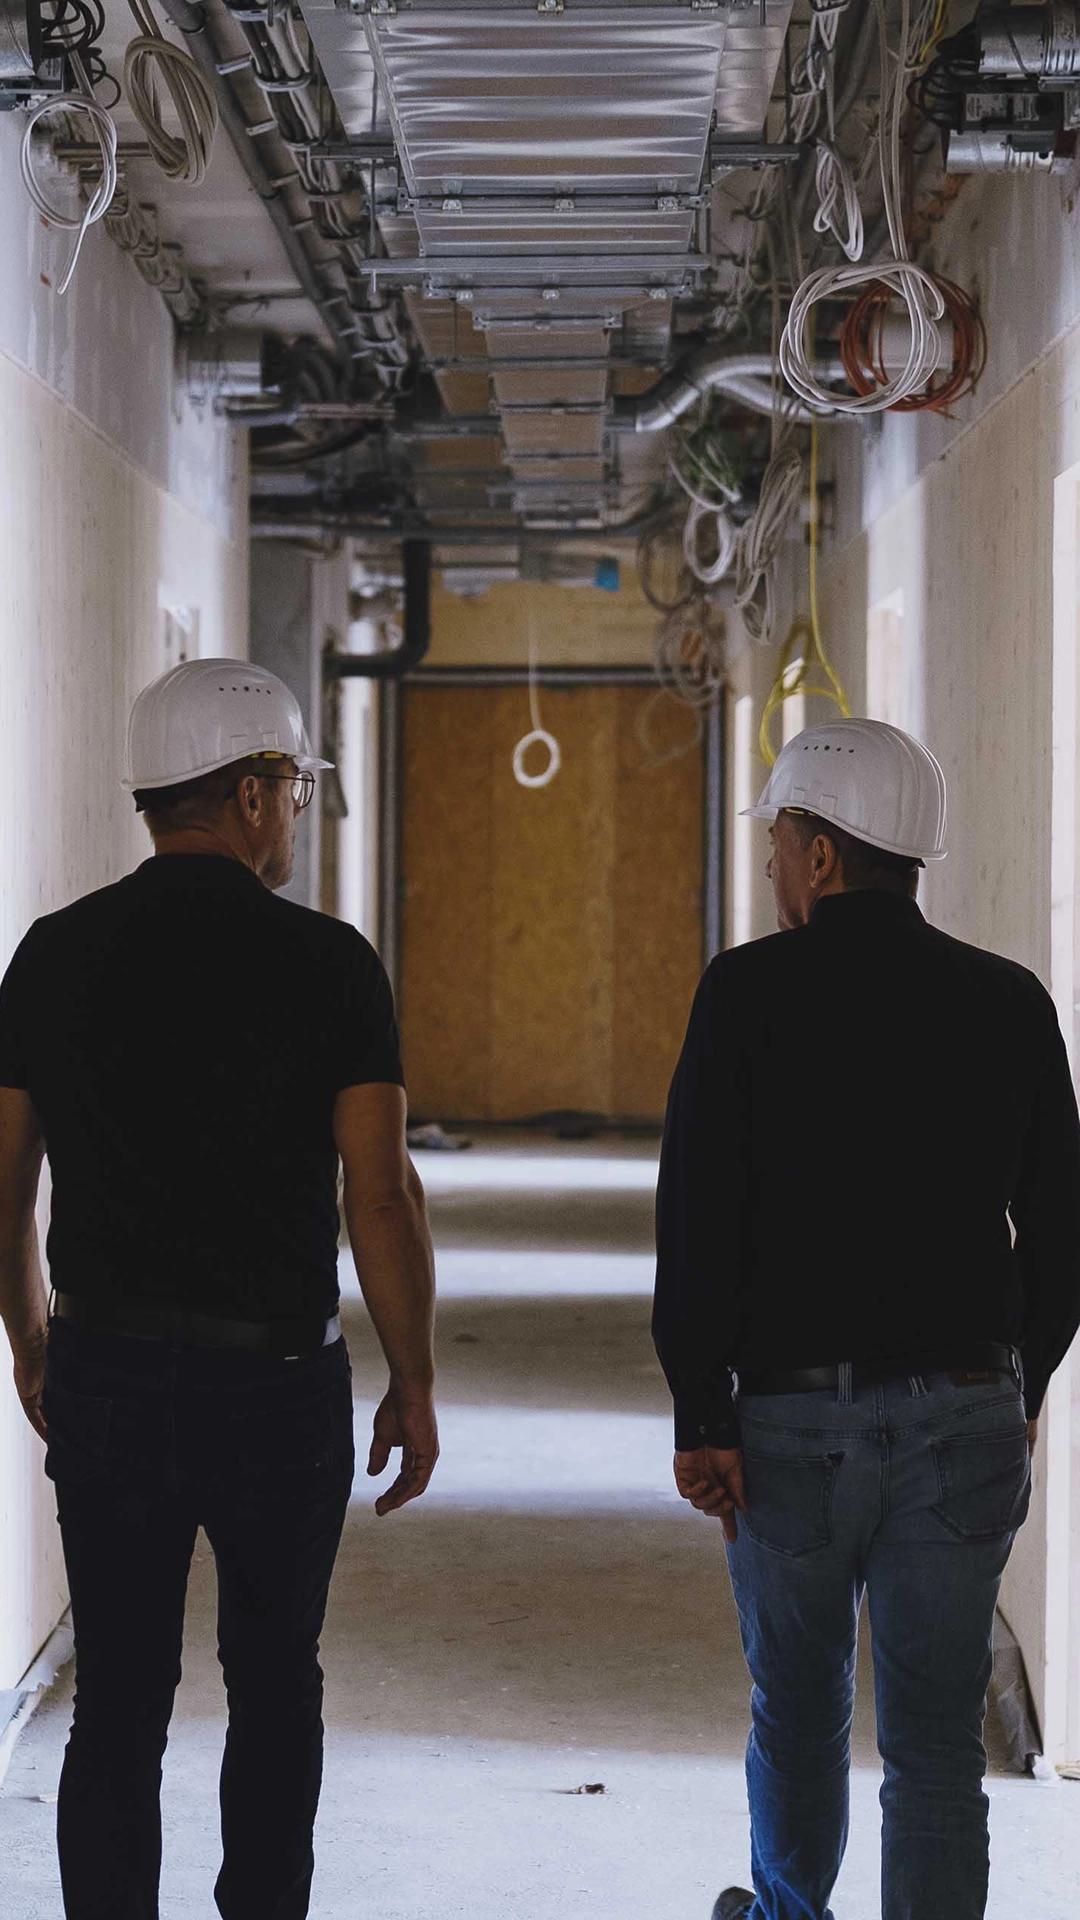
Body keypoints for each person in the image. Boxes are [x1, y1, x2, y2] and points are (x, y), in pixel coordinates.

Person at [0, 658, 439, 1920]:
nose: (297, 813)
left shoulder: (54, 953)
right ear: (251, 797)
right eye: (295, 788)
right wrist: (413, 1380)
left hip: (109, 1374)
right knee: (274, 1683)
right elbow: (380, 1195)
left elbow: (4, 1181)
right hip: (276, 1384)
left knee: (119, 1700)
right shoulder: (330, 965)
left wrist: (33, 1344)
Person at [653, 717, 1080, 1920]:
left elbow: (697, 1218)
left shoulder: (744, 994)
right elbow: (1059, 1231)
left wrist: (701, 1408)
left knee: (798, 1711)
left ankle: (791, 1916)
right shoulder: (1008, 1002)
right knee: (939, 1741)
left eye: (783, 843)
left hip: (788, 1422)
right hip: (965, 1412)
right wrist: (1022, 1385)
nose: (776, 868)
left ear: (825, 854)